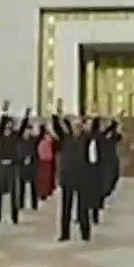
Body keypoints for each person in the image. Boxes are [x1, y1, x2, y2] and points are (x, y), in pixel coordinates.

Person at [51, 103, 98, 242]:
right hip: (68, 176)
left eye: (79, 126)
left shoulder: (86, 139)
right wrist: (57, 113)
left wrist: (94, 117)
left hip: (83, 177)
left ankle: (85, 233)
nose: (76, 128)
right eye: (74, 125)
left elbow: (94, 129)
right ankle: (65, 233)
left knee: (83, 207)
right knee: (66, 206)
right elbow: (56, 126)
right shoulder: (65, 138)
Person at [0, 106, 29, 224]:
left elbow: (22, 128)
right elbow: (0, 125)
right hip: (1, 166)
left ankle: (15, 216)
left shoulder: (15, 136)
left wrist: (26, 115)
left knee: (14, 191)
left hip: (12, 166)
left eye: (11, 124)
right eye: (7, 123)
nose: (9, 126)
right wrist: (4, 111)